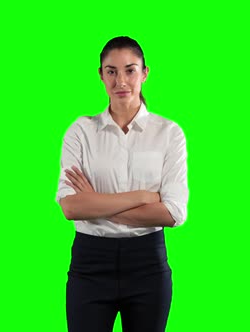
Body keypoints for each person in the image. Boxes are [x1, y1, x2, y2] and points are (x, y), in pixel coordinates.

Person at [56, 36, 189, 332]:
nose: (121, 81)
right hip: (90, 263)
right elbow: (71, 206)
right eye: (111, 71)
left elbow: (173, 213)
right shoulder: (81, 131)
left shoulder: (169, 133)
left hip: (148, 265)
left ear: (144, 73)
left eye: (130, 70)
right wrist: (143, 197)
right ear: (101, 75)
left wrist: (96, 203)